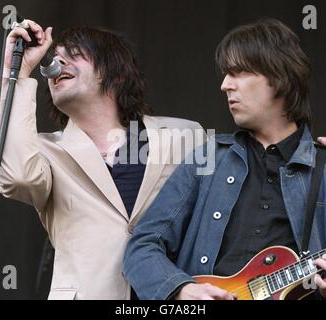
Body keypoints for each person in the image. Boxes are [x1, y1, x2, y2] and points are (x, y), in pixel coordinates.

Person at [0, 19, 204, 299]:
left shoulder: (186, 135)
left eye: (75, 55)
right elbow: (16, 177)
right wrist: (17, 74)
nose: (57, 65)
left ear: (115, 73)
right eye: (55, 59)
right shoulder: (45, 152)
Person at [123, 19, 326, 300]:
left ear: (279, 76)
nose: (224, 85)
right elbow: (142, 245)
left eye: (238, 72)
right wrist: (181, 289)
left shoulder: (322, 167)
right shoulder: (208, 158)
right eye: (225, 73)